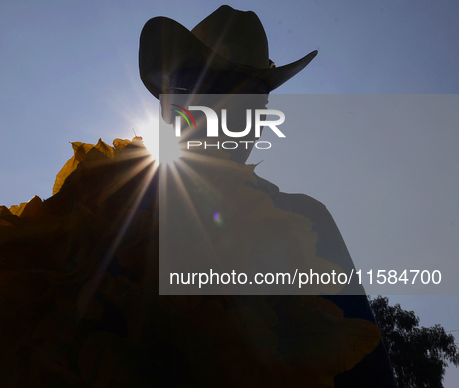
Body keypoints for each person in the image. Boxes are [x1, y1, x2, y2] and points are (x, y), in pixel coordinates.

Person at [139, 5, 398, 387]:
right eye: (201, 91)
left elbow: (363, 369)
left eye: (250, 103)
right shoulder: (108, 210)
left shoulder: (305, 219)